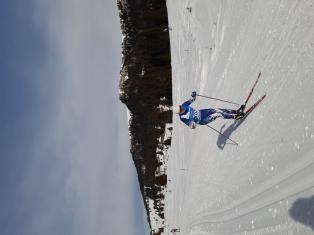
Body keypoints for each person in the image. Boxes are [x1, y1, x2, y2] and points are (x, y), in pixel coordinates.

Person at [174, 91, 244, 129]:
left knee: (217, 109)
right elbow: (191, 126)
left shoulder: (184, 105)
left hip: (202, 112)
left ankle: (236, 111)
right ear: (179, 113)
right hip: (202, 120)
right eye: (180, 110)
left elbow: (192, 99)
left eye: (180, 107)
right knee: (218, 114)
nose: (182, 108)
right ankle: (235, 117)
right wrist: (193, 123)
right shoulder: (182, 118)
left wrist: (193, 95)